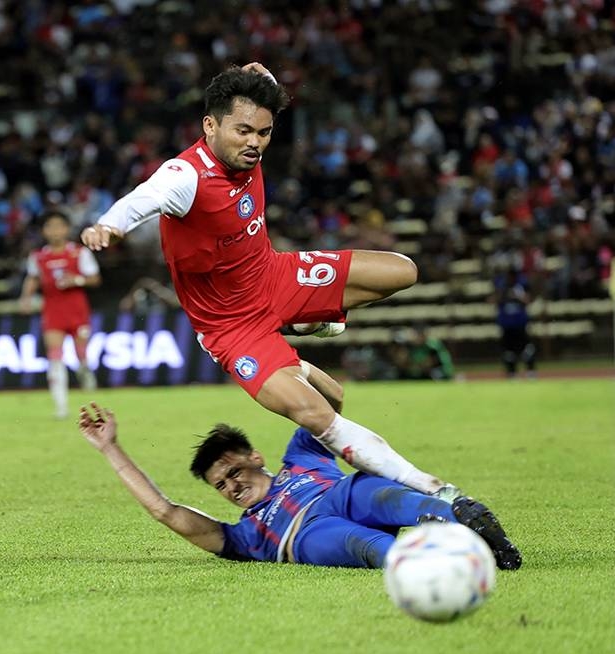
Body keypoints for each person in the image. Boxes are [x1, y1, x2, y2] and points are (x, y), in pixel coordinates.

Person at [81, 63, 444, 496]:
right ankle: (436, 490)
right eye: (243, 131)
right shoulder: (186, 177)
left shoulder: (248, 131)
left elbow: (261, 90)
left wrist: (264, 76)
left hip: (274, 275)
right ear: (209, 125)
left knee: (404, 270)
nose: (254, 143)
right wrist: (109, 224)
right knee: (321, 410)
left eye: (264, 133)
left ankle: (296, 325)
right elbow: (144, 198)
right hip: (231, 325)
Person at [78, 402, 522, 570]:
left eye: (233, 472)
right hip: (303, 537)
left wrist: (301, 365)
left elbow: (327, 404)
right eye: (220, 485)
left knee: (371, 488)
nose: (230, 486)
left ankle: (464, 519)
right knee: (356, 543)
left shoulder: (300, 457)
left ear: (256, 458)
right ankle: (430, 566)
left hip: (337, 494)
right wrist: (110, 450)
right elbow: (165, 510)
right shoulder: (242, 537)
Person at [21, 210, 101, 419]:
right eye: (50, 227)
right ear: (44, 231)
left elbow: (94, 278)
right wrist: (26, 298)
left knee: (81, 355)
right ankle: (61, 406)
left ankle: (86, 375)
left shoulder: (78, 253)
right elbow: (32, 279)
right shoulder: (38, 257)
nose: (55, 231)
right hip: (53, 311)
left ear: (66, 229)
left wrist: (76, 280)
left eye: (59, 226)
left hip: (77, 310)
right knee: (55, 357)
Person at [492, 268, 536, 378]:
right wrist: (503, 295)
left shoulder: (521, 287)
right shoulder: (502, 287)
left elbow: (529, 300)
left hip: (520, 325)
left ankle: (530, 372)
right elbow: (492, 300)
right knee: (508, 352)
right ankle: (511, 373)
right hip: (507, 326)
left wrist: (517, 296)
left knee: (527, 349)